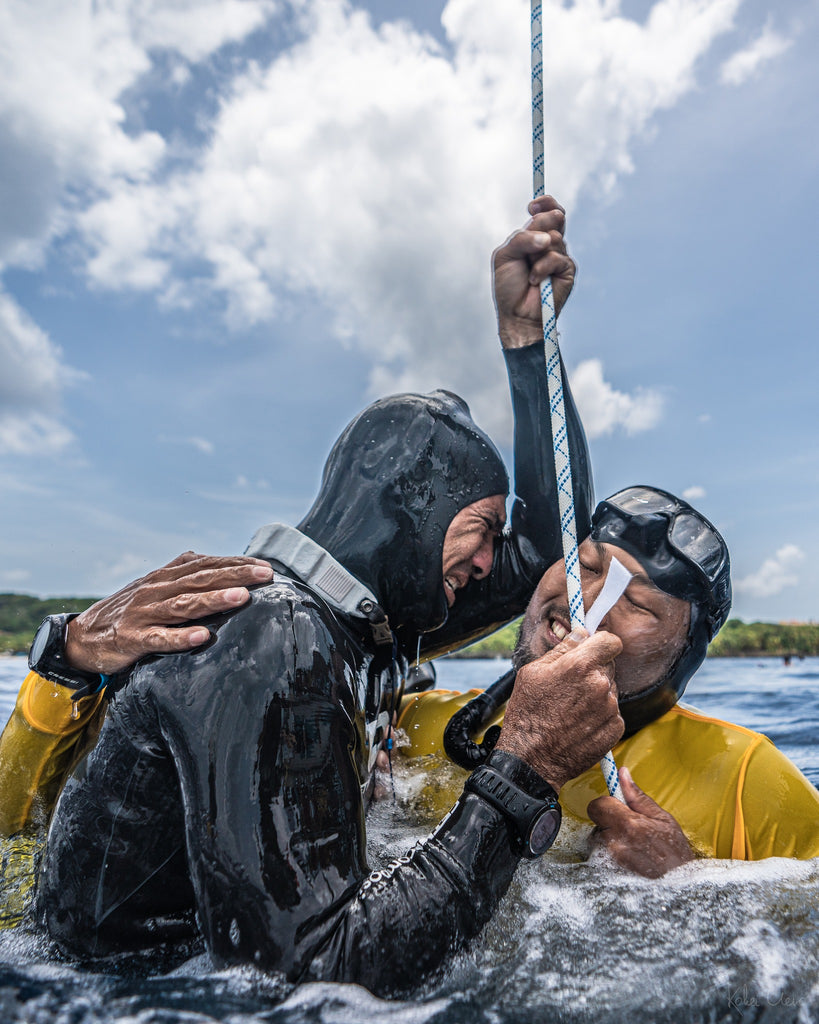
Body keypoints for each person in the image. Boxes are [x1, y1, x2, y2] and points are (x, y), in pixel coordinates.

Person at [9, 199, 628, 993]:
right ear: (409, 514)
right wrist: (523, 771)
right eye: (478, 529)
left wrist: (528, 341)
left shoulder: (352, 630)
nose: (487, 561)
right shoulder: (275, 635)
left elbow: (549, 546)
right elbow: (317, 976)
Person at [399, 486, 819, 873]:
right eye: (585, 564)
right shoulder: (414, 727)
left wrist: (689, 885)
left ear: (682, 657)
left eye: (638, 602)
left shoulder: (749, 780)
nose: (588, 605)